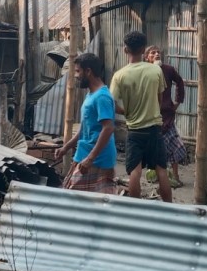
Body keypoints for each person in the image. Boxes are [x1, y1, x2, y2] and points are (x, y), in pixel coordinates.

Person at [110, 31, 172, 202]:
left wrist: (125, 112)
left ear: (125, 50)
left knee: (135, 172)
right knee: (161, 170)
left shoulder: (119, 75)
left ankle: (135, 210)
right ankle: (171, 209)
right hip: (154, 129)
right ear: (144, 50)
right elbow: (160, 99)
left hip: (135, 131)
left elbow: (111, 103)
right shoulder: (155, 70)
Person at [55, 53, 117, 194]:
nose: (76, 76)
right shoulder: (91, 95)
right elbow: (84, 129)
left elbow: (108, 128)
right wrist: (66, 148)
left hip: (97, 160)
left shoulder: (102, 97)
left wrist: (90, 158)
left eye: (78, 71)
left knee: (77, 199)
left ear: (88, 71)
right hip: (85, 155)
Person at [145, 45, 187, 187]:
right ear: (147, 58)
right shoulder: (144, 72)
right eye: (153, 53)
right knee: (156, 148)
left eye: (158, 52)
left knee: (176, 147)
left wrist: (177, 102)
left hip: (167, 116)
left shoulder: (168, 70)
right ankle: (156, 175)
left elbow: (179, 82)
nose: (157, 54)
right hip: (151, 117)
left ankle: (175, 176)